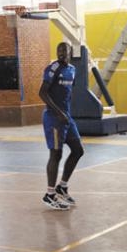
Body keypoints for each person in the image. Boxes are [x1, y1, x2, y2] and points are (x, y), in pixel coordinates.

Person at [39, 41, 85, 210]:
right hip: (53, 118)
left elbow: (68, 93)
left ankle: (62, 186)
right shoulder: (53, 69)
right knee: (56, 154)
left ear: (70, 52)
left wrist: (67, 113)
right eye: (58, 51)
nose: (61, 53)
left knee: (78, 150)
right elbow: (42, 93)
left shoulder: (72, 70)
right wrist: (58, 112)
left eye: (64, 51)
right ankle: (50, 195)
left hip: (67, 118)